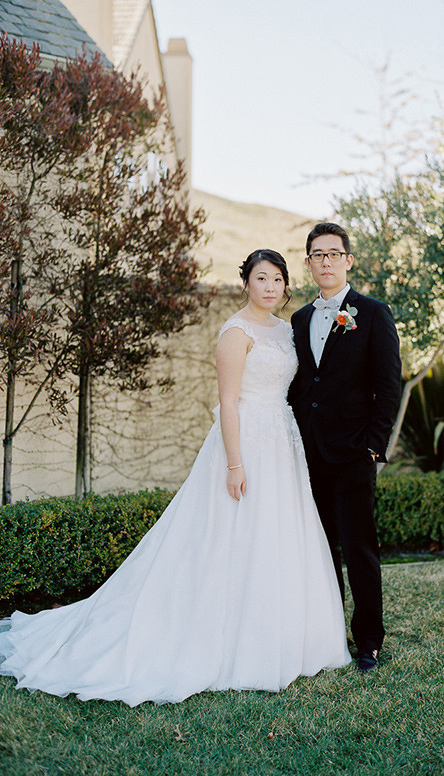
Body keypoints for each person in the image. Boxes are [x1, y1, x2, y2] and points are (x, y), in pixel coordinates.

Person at [0, 249, 350, 706]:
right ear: (246, 283)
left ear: (286, 286)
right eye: (261, 278)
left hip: (282, 442)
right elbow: (228, 402)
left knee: (278, 537)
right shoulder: (234, 332)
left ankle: (286, 636)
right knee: (226, 539)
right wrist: (234, 464)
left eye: (278, 279)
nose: (270, 287)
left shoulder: (288, 332)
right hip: (244, 441)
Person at [288, 222, 401, 673]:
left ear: (348, 260)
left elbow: (388, 384)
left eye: (334, 253)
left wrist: (374, 445)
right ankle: (329, 633)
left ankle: (369, 641)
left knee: (360, 549)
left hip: (354, 452)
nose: (326, 261)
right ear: (310, 262)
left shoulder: (372, 313)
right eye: (317, 254)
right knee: (319, 548)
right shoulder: (299, 319)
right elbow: (301, 383)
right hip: (306, 453)